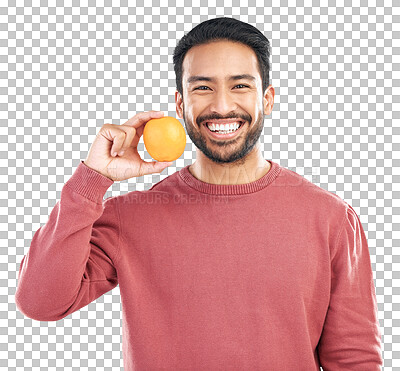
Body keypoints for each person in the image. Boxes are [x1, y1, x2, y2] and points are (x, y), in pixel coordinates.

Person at [15, 17, 383, 370]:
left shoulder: (332, 218)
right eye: (203, 87)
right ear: (180, 104)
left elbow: (355, 361)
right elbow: (40, 302)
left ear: (267, 99)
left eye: (240, 85)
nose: (222, 106)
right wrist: (93, 178)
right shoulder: (132, 215)